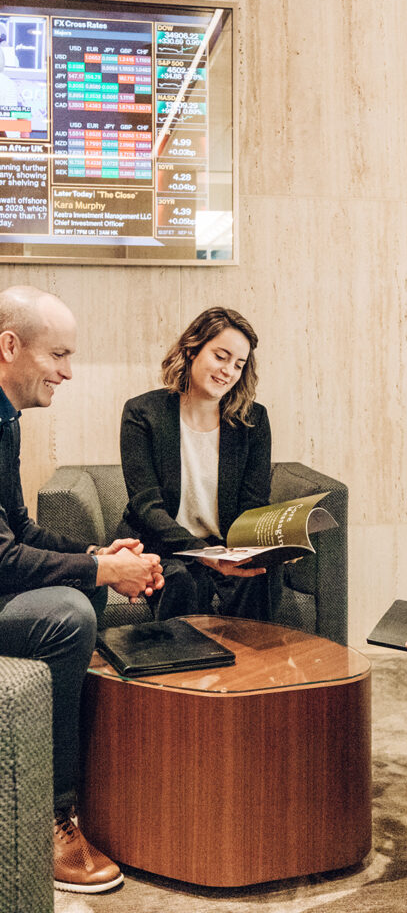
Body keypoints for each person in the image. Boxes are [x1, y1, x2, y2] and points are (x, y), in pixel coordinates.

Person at [0, 285, 163, 894]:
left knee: (81, 593)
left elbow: (18, 527)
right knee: (68, 613)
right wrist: (99, 573)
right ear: (10, 346)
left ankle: (79, 785)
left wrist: (95, 555)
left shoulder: (5, 418)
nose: (69, 372)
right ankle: (48, 817)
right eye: (58, 355)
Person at [118, 306, 282, 621]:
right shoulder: (142, 413)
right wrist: (203, 554)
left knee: (262, 572)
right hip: (164, 544)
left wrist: (271, 546)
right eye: (221, 356)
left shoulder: (253, 420)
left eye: (238, 364)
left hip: (225, 546)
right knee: (182, 578)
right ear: (192, 350)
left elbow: (254, 504)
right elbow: (146, 507)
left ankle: (254, 667)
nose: (228, 371)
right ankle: (184, 667)